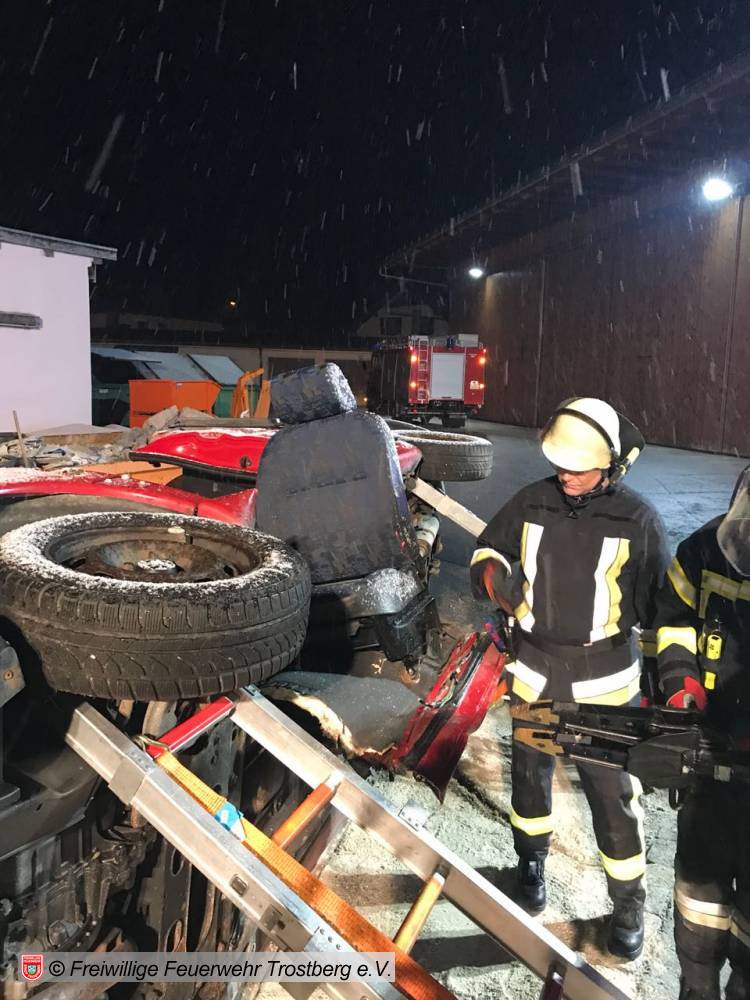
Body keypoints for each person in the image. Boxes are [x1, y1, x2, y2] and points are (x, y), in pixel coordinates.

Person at [471, 397, 668, 959]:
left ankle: (627, 904)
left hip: (605, 686)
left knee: (612, 799)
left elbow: (659, 610)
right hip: (536, 673)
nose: (567, 476)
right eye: (561, 465)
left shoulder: (639, 521)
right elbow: (489, 548)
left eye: (579, 468)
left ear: (610, 465)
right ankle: (530, 866)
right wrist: (494, 578)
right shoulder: (532, 501)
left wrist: (665, 686)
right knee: (529, 783)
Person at [654, 464, 750, 1000]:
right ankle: (696, 985)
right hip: (709, 751)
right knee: (697, 895)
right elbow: (671, 622)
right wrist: (680, 683)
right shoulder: (701, 551)